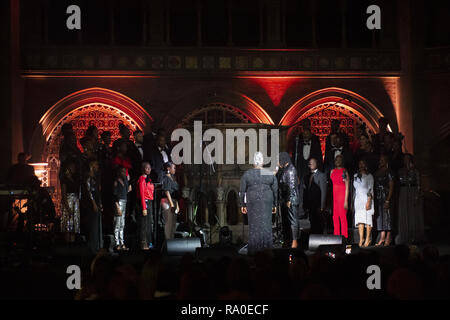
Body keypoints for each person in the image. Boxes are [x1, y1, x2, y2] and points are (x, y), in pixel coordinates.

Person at [239, 152, 278, 255]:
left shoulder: (247, 174)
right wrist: (275, 204)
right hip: (267, 199)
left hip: (252, 200)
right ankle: (267, 250)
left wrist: (242, 204)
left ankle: (254, 250)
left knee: (254, 225)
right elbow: (275, 190)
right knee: (266, 224)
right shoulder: (269, 173)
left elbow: (242, 191)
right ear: (263, 162)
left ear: (253, 162)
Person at [397, 154, 424, 244]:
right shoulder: (400, 171)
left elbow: (419, 183)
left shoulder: (415, 171)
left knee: (413, 213)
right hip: (404, 192)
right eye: (404, 159)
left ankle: (414, 236)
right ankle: (405, 235)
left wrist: (417, 195)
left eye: (407, 159)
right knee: (404, 212)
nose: (406, 160)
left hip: (412, 192)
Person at [278, 152, 300, 248]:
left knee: (293, 221)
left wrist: (289, 200)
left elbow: (292, 185)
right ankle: (288, 240)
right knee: (287, 221)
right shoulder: (285, 169)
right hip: (286, 199)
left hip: (291, 199)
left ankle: (294, 241)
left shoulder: (291, 169)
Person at [81, 159, 103, 253]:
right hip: (91, 203)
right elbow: (89, 191)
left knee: (97, 224)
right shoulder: (88, 177)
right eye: (96, 165)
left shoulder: (96, 177)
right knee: (93, 224)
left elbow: (98, 191)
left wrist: (100, 203)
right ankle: (93, 246)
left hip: (97, 201)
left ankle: (97, 245)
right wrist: (93, 203)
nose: (97, 167)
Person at [374, 154, 395, 246]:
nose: (381, 161)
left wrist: (388, 200)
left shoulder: (389, 171)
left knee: (388, 217)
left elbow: (391, 186)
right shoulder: (377, 172)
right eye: (380, 159)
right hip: (379, 197)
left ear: (386, 161)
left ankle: (388, 237)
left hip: (386, 196)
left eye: (383, 159)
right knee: (381, 217)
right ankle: (382, 237)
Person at [353, 159, 374, 247]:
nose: (361, 165)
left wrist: (369, 201)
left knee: (368, 219)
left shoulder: (369, 176)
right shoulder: (355, 176)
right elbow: (355, 189)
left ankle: (368, 238)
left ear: (366, 165)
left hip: (366, 199)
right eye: (360, 164)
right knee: (360, 220)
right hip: (358, 200)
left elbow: (370, 189)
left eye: (363, 164)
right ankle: (361, 238)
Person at [303, 158, 327, 234]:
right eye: (310, 163)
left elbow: (323, 191)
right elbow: (305, 191)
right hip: (310, 205)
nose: (311, 164)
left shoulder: (321, 175)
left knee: (319, 224)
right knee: (312, 223)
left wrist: (322, 206)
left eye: (313, 162)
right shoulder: (307, 176)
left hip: (318, 205)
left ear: (317, 164)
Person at [60, 160, 81, 243]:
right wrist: (67, 206)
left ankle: (73, 242)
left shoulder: (75, 178)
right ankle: (67, 242)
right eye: (72, 167)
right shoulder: (64, 179)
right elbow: (64, 193)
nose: (74, 168)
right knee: (68, 223)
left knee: (74, 223)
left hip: (75, 201)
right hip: (68, 200)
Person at [330, 154, 350, 239]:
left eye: (339, 160)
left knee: (342, 217)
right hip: (335, 197)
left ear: (342, 161)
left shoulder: (344, 171)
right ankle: (336, 237)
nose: (338, 161)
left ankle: (344, 238)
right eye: (336, 160)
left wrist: (346, 200)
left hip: (342, 197)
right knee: (335, 217)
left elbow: (347, 186)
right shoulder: (332, 171)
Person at [137, 162, 155, 250]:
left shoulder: (149, 179)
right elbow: (141, 194)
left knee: (149, 224)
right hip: (145, 202)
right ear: (143, 169)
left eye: (150, 168)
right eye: (147, 168)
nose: (149, 169)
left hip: (150, 202)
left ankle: (149, 242)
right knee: (144, 224)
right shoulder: (142, 179)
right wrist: (144, 207)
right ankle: (143, 243)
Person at [113, 166, 131, 251]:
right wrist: (117, 206)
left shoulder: (125, 181)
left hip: (124, 202)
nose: (124, 173)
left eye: (125, 172)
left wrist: (128, 187)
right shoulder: (116, 182)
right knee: (117, 223)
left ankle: (122, 242)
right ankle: (117, 243)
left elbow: (126, 191)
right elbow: (114, 195)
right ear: (119, 172)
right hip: (119, 203)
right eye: (123, 172)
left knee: (122, 224)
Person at [160, 162, 180, 241]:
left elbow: (176, 193)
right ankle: (168, 240)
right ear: (168, 168)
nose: (175, 169)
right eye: (173, 168)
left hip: (174, 200)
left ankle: (172, 239)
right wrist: (171, 204)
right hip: (167, 201)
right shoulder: (166, 178)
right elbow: (167, 191)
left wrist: (177, 205)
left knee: (173, 223)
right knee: (168, 222)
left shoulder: (173, 178)